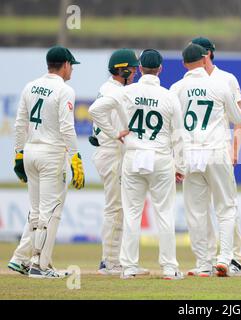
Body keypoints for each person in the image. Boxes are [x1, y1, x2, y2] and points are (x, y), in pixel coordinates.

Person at [170, 43, 241, 277]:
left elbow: (172, 125)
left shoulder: (176, 88)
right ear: (205, 60)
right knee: (226, 207)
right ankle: (224, 258)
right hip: (216, 151)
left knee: (196, 211)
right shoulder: (219, 85)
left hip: (191, 155)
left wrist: (176, 159)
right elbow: (238, 117)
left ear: (184, 64)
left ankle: (203, 263)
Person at [89, 49, 185, 280]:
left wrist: (114, 133)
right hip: (160, 157)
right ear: (160, 69)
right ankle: (170, 268)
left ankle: (129, 267)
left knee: (131, 213)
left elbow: (95, 110)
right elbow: (178, 135)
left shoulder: (127, 92)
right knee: (164, 213)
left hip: (133, 156)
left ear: (140, 68)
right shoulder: (169, 95)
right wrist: (180, 166)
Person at [11, 45, 85, 278]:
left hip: (31, 151)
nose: (72, 70)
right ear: (65, 65)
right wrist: (75, 156)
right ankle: (39, 266)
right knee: (50, 213)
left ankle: (32, 261)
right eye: (71, 65)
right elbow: (66, 126)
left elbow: (19, 124)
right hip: (52, 153)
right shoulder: (65, 90)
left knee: (35, 212)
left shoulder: (30, 86)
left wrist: (19, 154)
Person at [187, 36, 241, 276]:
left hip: (219, 149)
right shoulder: (189, 82)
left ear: (208, 54)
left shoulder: (226, 79)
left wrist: (235, 150)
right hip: (196, 153)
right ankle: (208, 259)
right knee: (202, 209)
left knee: (226, 206)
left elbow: (239, 120)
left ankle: (235, 258)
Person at [88, 49, 139, 275]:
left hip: (108, 152)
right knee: (116, 209)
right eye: (133, 68)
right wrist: (114, 133)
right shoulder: (114, 91)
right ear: (123, 70)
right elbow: (94, 111)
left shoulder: (110, 87)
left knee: (118, 208)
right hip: (111, 153)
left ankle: (113, 260)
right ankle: (109, 262)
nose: (137, 72)